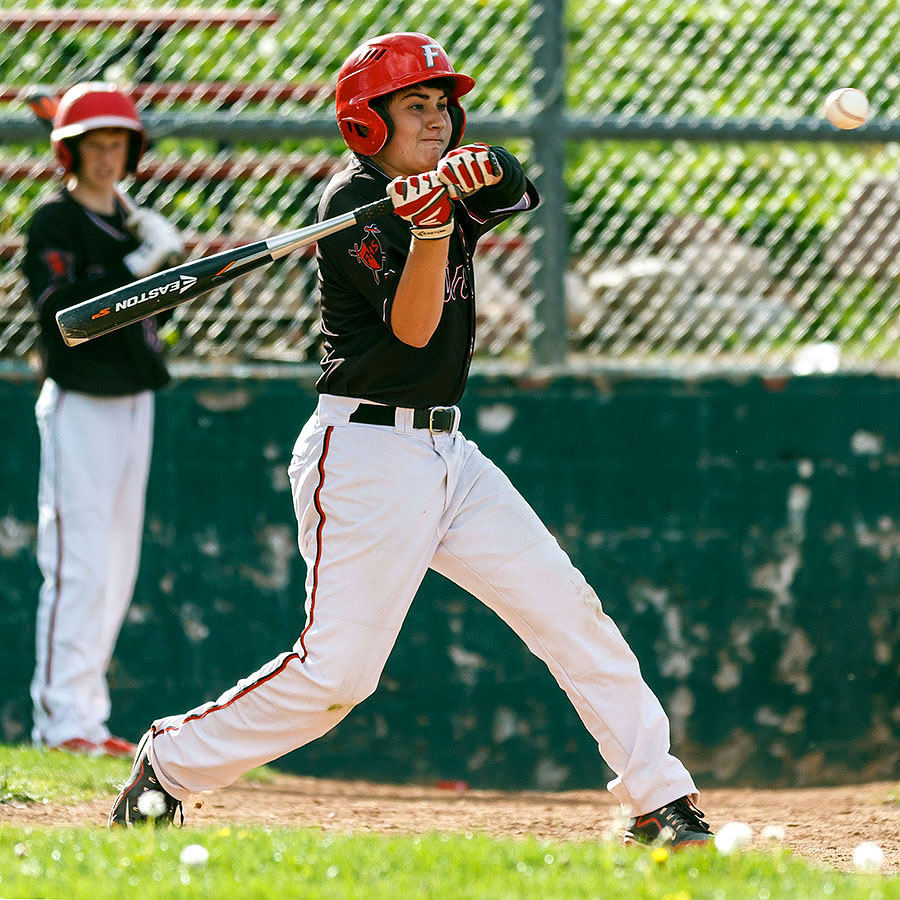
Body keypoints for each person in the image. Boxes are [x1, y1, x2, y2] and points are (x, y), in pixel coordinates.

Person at [108, 32, 712, 847]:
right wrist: (427, 231)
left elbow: (515, 182)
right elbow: (417, 331)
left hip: (449, 456)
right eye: (414, 107)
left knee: (571, 613)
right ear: (367, 125)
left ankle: (660, 801)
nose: (436, 120)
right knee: (338, 677)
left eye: (442, 106)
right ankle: (171, 763)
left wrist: (480, 166)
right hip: (362, 457)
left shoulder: (449, 180)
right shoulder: (344, 205)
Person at [24, 82, 184, 758]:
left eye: (117, 143)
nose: (106, 156)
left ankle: (88, 717)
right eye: (94, 144)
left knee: (117, 565)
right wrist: (136, 263)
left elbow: (155, 323)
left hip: (134, 398)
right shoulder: (53, 222)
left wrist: (165, 264)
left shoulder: (128, 223)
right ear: (71, 150)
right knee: (78, 563)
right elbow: (66, 319)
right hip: (81, 400)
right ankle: (59, 723)